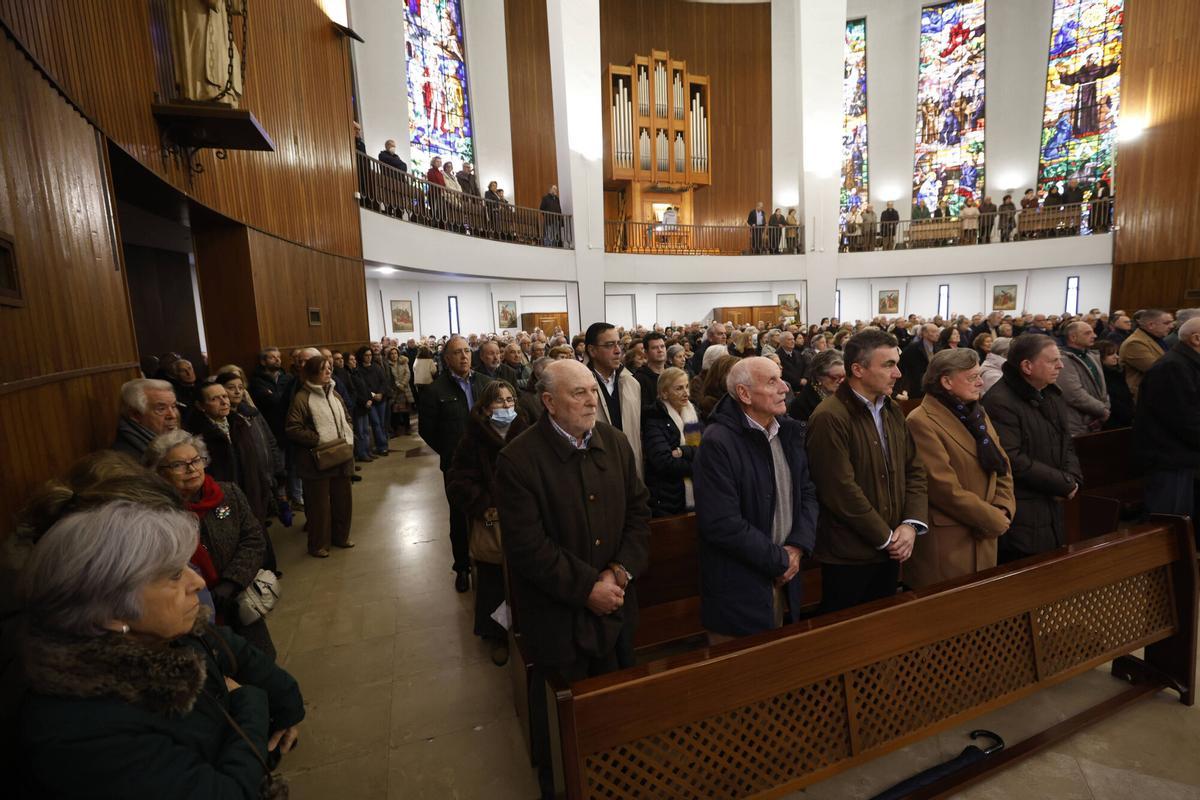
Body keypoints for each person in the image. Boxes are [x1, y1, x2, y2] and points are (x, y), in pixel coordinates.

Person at [16, 501, 304, 797]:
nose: (198, 581)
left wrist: (288, 705)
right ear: (111, 611)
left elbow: (240, 653)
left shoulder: (166, 632)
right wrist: (250, 701)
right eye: (174, 575)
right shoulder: (80, 733)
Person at [494, 359, 650, 799]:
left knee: (616, 717)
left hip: (617, 610)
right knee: (564, 736)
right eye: (578, 393)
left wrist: (618, 573)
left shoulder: (615, 443)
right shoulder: (518, 459)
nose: (591, 399)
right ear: (548, 402)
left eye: (592, 391)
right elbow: (528, 548)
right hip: (558, 623)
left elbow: (640, 514)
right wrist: (588, 588)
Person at [692, 357, 818, 639]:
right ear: (744, 394)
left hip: (788, 576)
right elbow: (722, 523)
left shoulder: (788, 431)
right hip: (741, 585)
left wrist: (797, 547)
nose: (785, 387)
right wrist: (780, 560)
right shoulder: (718, 442)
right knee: (746, 673)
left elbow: (807, 492)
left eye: (781, 378)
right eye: (772, 381)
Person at [806, 330, 928, 613]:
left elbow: (915, 470)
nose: (897, 373)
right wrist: (887, 537)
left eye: (896, 364)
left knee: (884, 629)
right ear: (858, 370)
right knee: (847, 638)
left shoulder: (891, 410)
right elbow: (839, 490)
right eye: (888, 365)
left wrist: (910, 525)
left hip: (891, 546)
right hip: (850, 553)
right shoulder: (829, 417)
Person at [143, 430, 275, 658]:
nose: (192, 469)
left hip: (239, 601)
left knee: (259, 661)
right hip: (193, 612)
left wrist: (231, 583)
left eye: (195, 460)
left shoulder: (229, 494)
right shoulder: (157, 515)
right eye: (178, 465)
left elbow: (253, 539)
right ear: (159, 472)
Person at [905, 350, 1015, 589]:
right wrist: (991, 518)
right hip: (951, 541)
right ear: (946, 381)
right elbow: (943, 487)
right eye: (972, 376)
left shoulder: (977, 412)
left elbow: (1002, 464)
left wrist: (1004, 507)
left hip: (987, 529)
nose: (980, 381)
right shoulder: (921, 420)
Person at [447, 380, 529, 667]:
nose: (507, 406)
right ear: (484, 409)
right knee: (495, 581)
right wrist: (484, 505)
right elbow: (458, 481)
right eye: (499, 402)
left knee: (525, 577)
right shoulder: (473, 439)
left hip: (525, 518)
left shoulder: (527, 431)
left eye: (510, 401)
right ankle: (498, 634)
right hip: (493, 522)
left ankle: (525, 628)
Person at [981, 335, 1082, 563]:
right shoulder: (1000, 401)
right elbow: (1012, 458)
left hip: (1051, 502)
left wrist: (1072, 478)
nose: (1061, 365)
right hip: (1024, 508)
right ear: (1027, 366)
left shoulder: (1050, 393)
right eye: (1052, 360)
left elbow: (1066, 441)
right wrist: (1062, 482)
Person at [418, 336, 492, 590]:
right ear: (447, 358)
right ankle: (462, 567)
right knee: (459, 517)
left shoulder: (487, 384)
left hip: (490, 463)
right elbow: (427, 430)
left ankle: (491, 559)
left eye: (467, 352)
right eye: (457, 352)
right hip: (456, 467)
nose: (464, 356)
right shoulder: (435, 391)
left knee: (490, 511)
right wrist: (452, 452)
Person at [286, 355, 355, 558]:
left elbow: (346, 416)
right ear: (312, 373)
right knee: (319, 507)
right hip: (316, 461)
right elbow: (292, 428)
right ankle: (318, 545)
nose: (328, 372)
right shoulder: (302, 397)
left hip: (341, 455)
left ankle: (341, 537)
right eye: (323, 369)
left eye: (329, 368)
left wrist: (347, 431)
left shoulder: (334, 393)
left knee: (343, 502)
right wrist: (318, 439)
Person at [1134, 317, 1200, 529]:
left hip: (1184, 457)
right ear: (1197, 339)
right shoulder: (1173, 367)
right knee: (1167, 525)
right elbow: (1185, 419)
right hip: (1171, 459)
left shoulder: (1186, 363)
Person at [215, 372, 283, 528]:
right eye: (231, 388)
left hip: (263, 477)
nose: (238, 392)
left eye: (240, 387)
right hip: (245, 484)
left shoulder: (252, 412)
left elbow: (269, 440)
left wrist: (276, 472)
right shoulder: (227, 421)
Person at [641, 367, 702, 517]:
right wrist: (700, 466)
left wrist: (683, 451)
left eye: (687, 387)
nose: (686, 393)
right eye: (679, 388)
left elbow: (707, 450)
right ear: (664, 393)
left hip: (699, 495)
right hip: (668, 500)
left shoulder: (693, 413)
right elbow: (664, 462)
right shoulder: (654, 418)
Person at [586, 322, 644, 478]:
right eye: (609, 345)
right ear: (592, 350)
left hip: (630, 467)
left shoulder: (632, 383)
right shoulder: (581, 387)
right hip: (597, 469)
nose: (618, 351)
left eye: (618, 344)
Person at [1058, 321, 1110, 435]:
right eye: (1088, 333)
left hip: (1096, 418)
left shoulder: (1092, 355)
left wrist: (1105, 407)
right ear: (1073, 337)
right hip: (1077, 422)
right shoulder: (1063, 360)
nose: (1094, 336)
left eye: (1093, 332)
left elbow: (1102, 388)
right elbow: (1073, 394)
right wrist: (1102, 410)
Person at [113, 378, 181, 457]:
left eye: (173, 406)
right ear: (135, 415)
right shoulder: (126, 457)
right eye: (161, 409)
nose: (173, 415)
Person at [1119, 308, 1173, 400]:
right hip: (1145, 396)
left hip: (1157, 393)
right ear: (1151, 325)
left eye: (1172, 322)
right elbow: (1159, 370)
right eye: (1167, 323)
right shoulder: (1135, 343)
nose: (1171, 326)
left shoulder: (1157, 338)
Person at [787, 350, 844, 427]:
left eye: (844, 377)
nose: (842, 381)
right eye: (836, 377)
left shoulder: (844, 396)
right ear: (819, 377)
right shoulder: (801, 405)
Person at [1095, 340, 1134, 428]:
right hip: (1113, 422)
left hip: (1127, 418)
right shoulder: (1101, 377)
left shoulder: (1118, 372)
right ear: (1100, 357)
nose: (1116, 357)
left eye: (1116, 353)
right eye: (1110, 354)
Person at [899, 323, 940, 398]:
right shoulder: (913, 348)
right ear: (924, 333)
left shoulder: (938, 347)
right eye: (934, 332)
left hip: (934, 386)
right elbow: (902, 365)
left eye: (938, 331)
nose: (937, 334)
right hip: (917, 386)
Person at [633, 331, 668, 407]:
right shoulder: (639, 379)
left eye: (662, 346)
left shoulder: (672, 374)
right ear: (646, 352)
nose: (660, 350)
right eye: (654, 348)